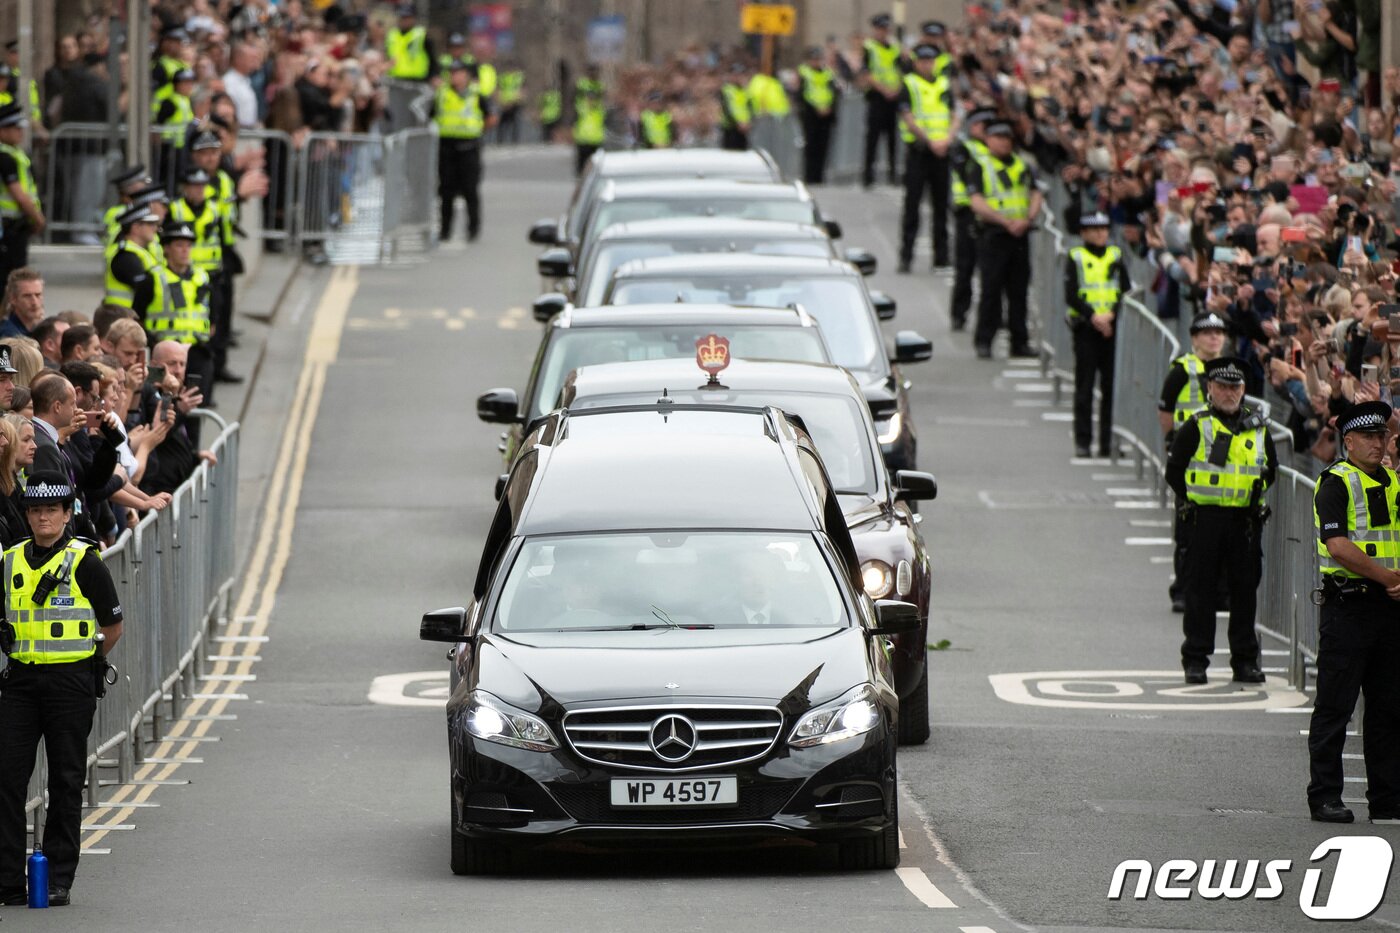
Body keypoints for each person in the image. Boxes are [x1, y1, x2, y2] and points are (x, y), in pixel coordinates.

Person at [0, 470, 125, 907]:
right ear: (27, 514)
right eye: (35, 510)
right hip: (20, 682)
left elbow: (113, 626)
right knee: (7, 779)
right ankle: (8, 879)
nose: (43, 518)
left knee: (66, 781)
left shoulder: (85, 562)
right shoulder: (9, 561)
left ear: (67, 513)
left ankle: (57, 879)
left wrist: (84, 662)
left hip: (70, 684)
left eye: (51, 509)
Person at [1308, 400, 1400, 824]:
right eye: (1368, 437)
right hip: (1349, 607)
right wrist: (1388, 578)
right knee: (1335, 707)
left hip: (1389, 610)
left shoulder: (1394, 482)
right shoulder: (1336, 482)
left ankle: (1387, 799)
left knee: (1388, 708)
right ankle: (1325, 795)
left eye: (1381, 436)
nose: (1377, 444)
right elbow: (1338, 546)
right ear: (1348, 441)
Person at [1165, 357, 1277, 686]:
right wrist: (1195, 499)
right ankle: (1195, 660)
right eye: (1223, 387)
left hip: (1244, 521)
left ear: (1243, 390)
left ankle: (1245, 661)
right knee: (1200, 592)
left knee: (1244, 592)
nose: (1229, 393)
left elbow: (1271, 468)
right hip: (1206, 519)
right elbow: (1174, 471)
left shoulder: (1257, 427)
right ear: (1210, 389)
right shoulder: (1197, 425)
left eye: (1235, 387)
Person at [1159, 311, 1228, 613]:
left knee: (1224, 526)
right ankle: (1183, 590)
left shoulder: (1230, 371)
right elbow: (1165, 410)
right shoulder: (1182, 370)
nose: (1214, 338)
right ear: (1194, 338)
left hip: (1224, 460)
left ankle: (1219, 591)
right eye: (1207, 333)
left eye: (1218, 332)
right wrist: (1172, 441)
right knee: (1187, 527)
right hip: (1190, 458)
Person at [966, 122, 1040, 359]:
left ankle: (1019, 342)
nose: (1003, 142)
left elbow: (1036, 193)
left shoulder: (1023, 165)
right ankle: (984, 340)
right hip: (994, 234)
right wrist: (1005, 222)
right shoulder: (980, 165)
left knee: (1019, 291)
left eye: (1006, 137)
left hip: (1019, 235)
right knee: (991, 290)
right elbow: (976, 201)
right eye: (998, 137)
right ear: (988, 140)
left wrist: (1027, 219)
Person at [1065, 212, 1129, 458]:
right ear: (1084, 233)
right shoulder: (1076, 256)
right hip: (1086, 328)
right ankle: (1083, 441)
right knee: (1085, 386)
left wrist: (1111, 315)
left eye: (1104, 229)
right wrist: (1094, 317)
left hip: (1111, 329)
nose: (1101, 233)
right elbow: (1071, 294)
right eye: (1095, 229)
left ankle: (1107, 442)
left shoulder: (1116, 255)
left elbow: (1125, 291)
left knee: (1111, 388)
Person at [896, 43, 956, 274]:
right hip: (920, 150)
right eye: (923, 61)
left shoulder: (944, 84)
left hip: (942, 151)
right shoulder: (910, 84)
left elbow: (954, 114)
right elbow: (907, 116)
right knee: (913, 204)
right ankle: (906, 256)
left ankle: (941, 256)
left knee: (941, 205)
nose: (926, 65)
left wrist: (947, 139)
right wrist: (930, 141)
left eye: (930, 61)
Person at [149, 219, 213, 398]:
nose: (185, 250)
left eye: (188, 245)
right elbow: (139, 314)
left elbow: (213, 313)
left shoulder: (202, 276)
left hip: (197, 352)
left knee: (196, 404)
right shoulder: (154, 277)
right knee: (158, 401)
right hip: (164, 355)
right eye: (179, 245)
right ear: (167, 248)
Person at [434, 59, 493, 243]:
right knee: (446, 191)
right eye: (452, 73)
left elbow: (490, 117)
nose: (455, 76)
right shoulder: (442, 93)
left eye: (459, 73)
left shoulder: (476, 94)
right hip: (447, 147)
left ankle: (473, 228)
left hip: (469, 147)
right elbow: (431, 116)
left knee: (470, 190)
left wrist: (478, 132)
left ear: (466, 75)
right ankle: (445, 230)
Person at [948, 108, 994, 331]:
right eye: (982, 125)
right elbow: (965, 175)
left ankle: (993, 317)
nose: (985, 130)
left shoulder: (996, 149)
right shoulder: (964, 147)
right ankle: (959, 313)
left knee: (991, 271)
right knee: (965, 266)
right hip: (967, 211)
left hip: (991, 215)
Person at [0, 103, 43, 289]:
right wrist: (38, 219)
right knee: (11, 282)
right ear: (2, 131)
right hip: (8, 227)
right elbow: (19, 195)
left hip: (14, 226)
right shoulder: (5, 157)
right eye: (16, 128)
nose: (21, 132)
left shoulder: (14, 154)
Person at [860, 14, 902, 189]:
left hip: (893, 97)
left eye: (885, 29)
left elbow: (901, 70)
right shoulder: (869, 47)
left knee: (892, 138)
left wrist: (896, 89)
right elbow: (866, 72)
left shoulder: (895, 48)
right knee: (873, 137)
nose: (883, 32)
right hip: (877, 97)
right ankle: (868, 175)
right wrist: (884, 89)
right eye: (880, 29)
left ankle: (893, 174)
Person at [104, 206, 162, 322]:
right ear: (135, 228)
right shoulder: (126, 256)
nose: (155, 228)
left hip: (128, 318)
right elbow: (146, 289)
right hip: (123, 319)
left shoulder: (142, 252)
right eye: (150, 224)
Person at [798, 47, 837, 185]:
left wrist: (828, 108)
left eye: (818, 59)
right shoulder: (805, 73)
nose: (816, 62)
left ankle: (819, 176)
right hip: (811, 115)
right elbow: (804, 94)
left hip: (826, 116)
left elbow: (834, 93)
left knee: (823, 146)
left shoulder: (828, 74)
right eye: (813, 59)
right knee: (811, 146)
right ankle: (809, 176)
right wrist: (817, 107)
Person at [101, 165, 150, 248]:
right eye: (143, 182)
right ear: (134, 188)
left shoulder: (136, 208)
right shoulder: (121, 212)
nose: (146, 186)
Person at [386, 4, 433, 82]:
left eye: (407, 17)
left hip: (417, 79)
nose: (404, 20)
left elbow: (432, 58)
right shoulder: (392, 35)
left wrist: (432, 76)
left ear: (413, 18)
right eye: (402, 17)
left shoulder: (421, 35)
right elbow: (387, 56)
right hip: (395, 79)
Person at [572, 66, 605, 176]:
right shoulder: (582, 107)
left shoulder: (599, 109)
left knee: (594, 166)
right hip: (583, 139)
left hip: (596, 139)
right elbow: (576, 99)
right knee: (581, 167)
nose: (591, 100)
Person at [0, 267, 43, 339]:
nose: (34, 302)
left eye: (38, 295)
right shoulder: (8, 335)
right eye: (27, 296)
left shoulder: (41, 329)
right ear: (13, 299)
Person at [718, 62, 752, 151]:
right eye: (735, 74)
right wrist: (738, 123)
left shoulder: (746, 91)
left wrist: (749, 122)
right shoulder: (727, 90)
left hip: (744, 129)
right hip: (731, 128)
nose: (738, 77)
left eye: (740, 74)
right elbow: (728, 109)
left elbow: (750, 108)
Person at [495, 63, 524, 144]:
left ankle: (514, 140)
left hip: (515, 103)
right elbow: (498, 90)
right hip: (505, 104)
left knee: (515, 122)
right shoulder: (503, 77)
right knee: (503, 123)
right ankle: (501, 140)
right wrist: (501, 102)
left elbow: (522, 90)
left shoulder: (518, 77)